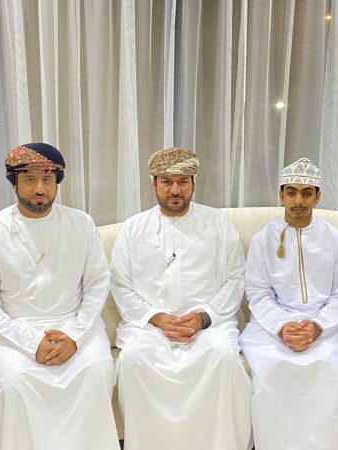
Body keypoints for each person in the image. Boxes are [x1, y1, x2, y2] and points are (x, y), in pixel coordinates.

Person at [0, 143, 119, 450]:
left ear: (57, 182)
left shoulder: (82, 224)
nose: (40, 189)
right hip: (12, 333)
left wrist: (74, 336)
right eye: (29, 179)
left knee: (95, 371)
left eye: (47, 180)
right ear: (14, 182)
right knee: (12, 381)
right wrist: (31, 342)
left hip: (75, 326)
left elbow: (97, 284)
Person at [110, 147, 251, 450]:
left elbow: (235, 279)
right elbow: (120, 284)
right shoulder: (133, 228)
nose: (175, 190)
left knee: (221, 356)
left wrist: (203, 317)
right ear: (154, 184)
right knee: (134, 359)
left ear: (193, 184)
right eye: (166, 181)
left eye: (183, 181)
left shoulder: (218, 224)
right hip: (149, 327)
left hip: (208, 326)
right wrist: (157, 318)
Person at [238, 157, 338, 450]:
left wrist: (317, 326)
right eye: (291, 192)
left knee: (331, 372)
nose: (298, 201)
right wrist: (282, 326)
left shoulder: (336, 240)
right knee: (272, 370)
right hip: (271, 329)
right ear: (281, 195)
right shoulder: (264, 239)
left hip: (324, 328)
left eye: (306, 193)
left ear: (318, 196)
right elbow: (258, 292)